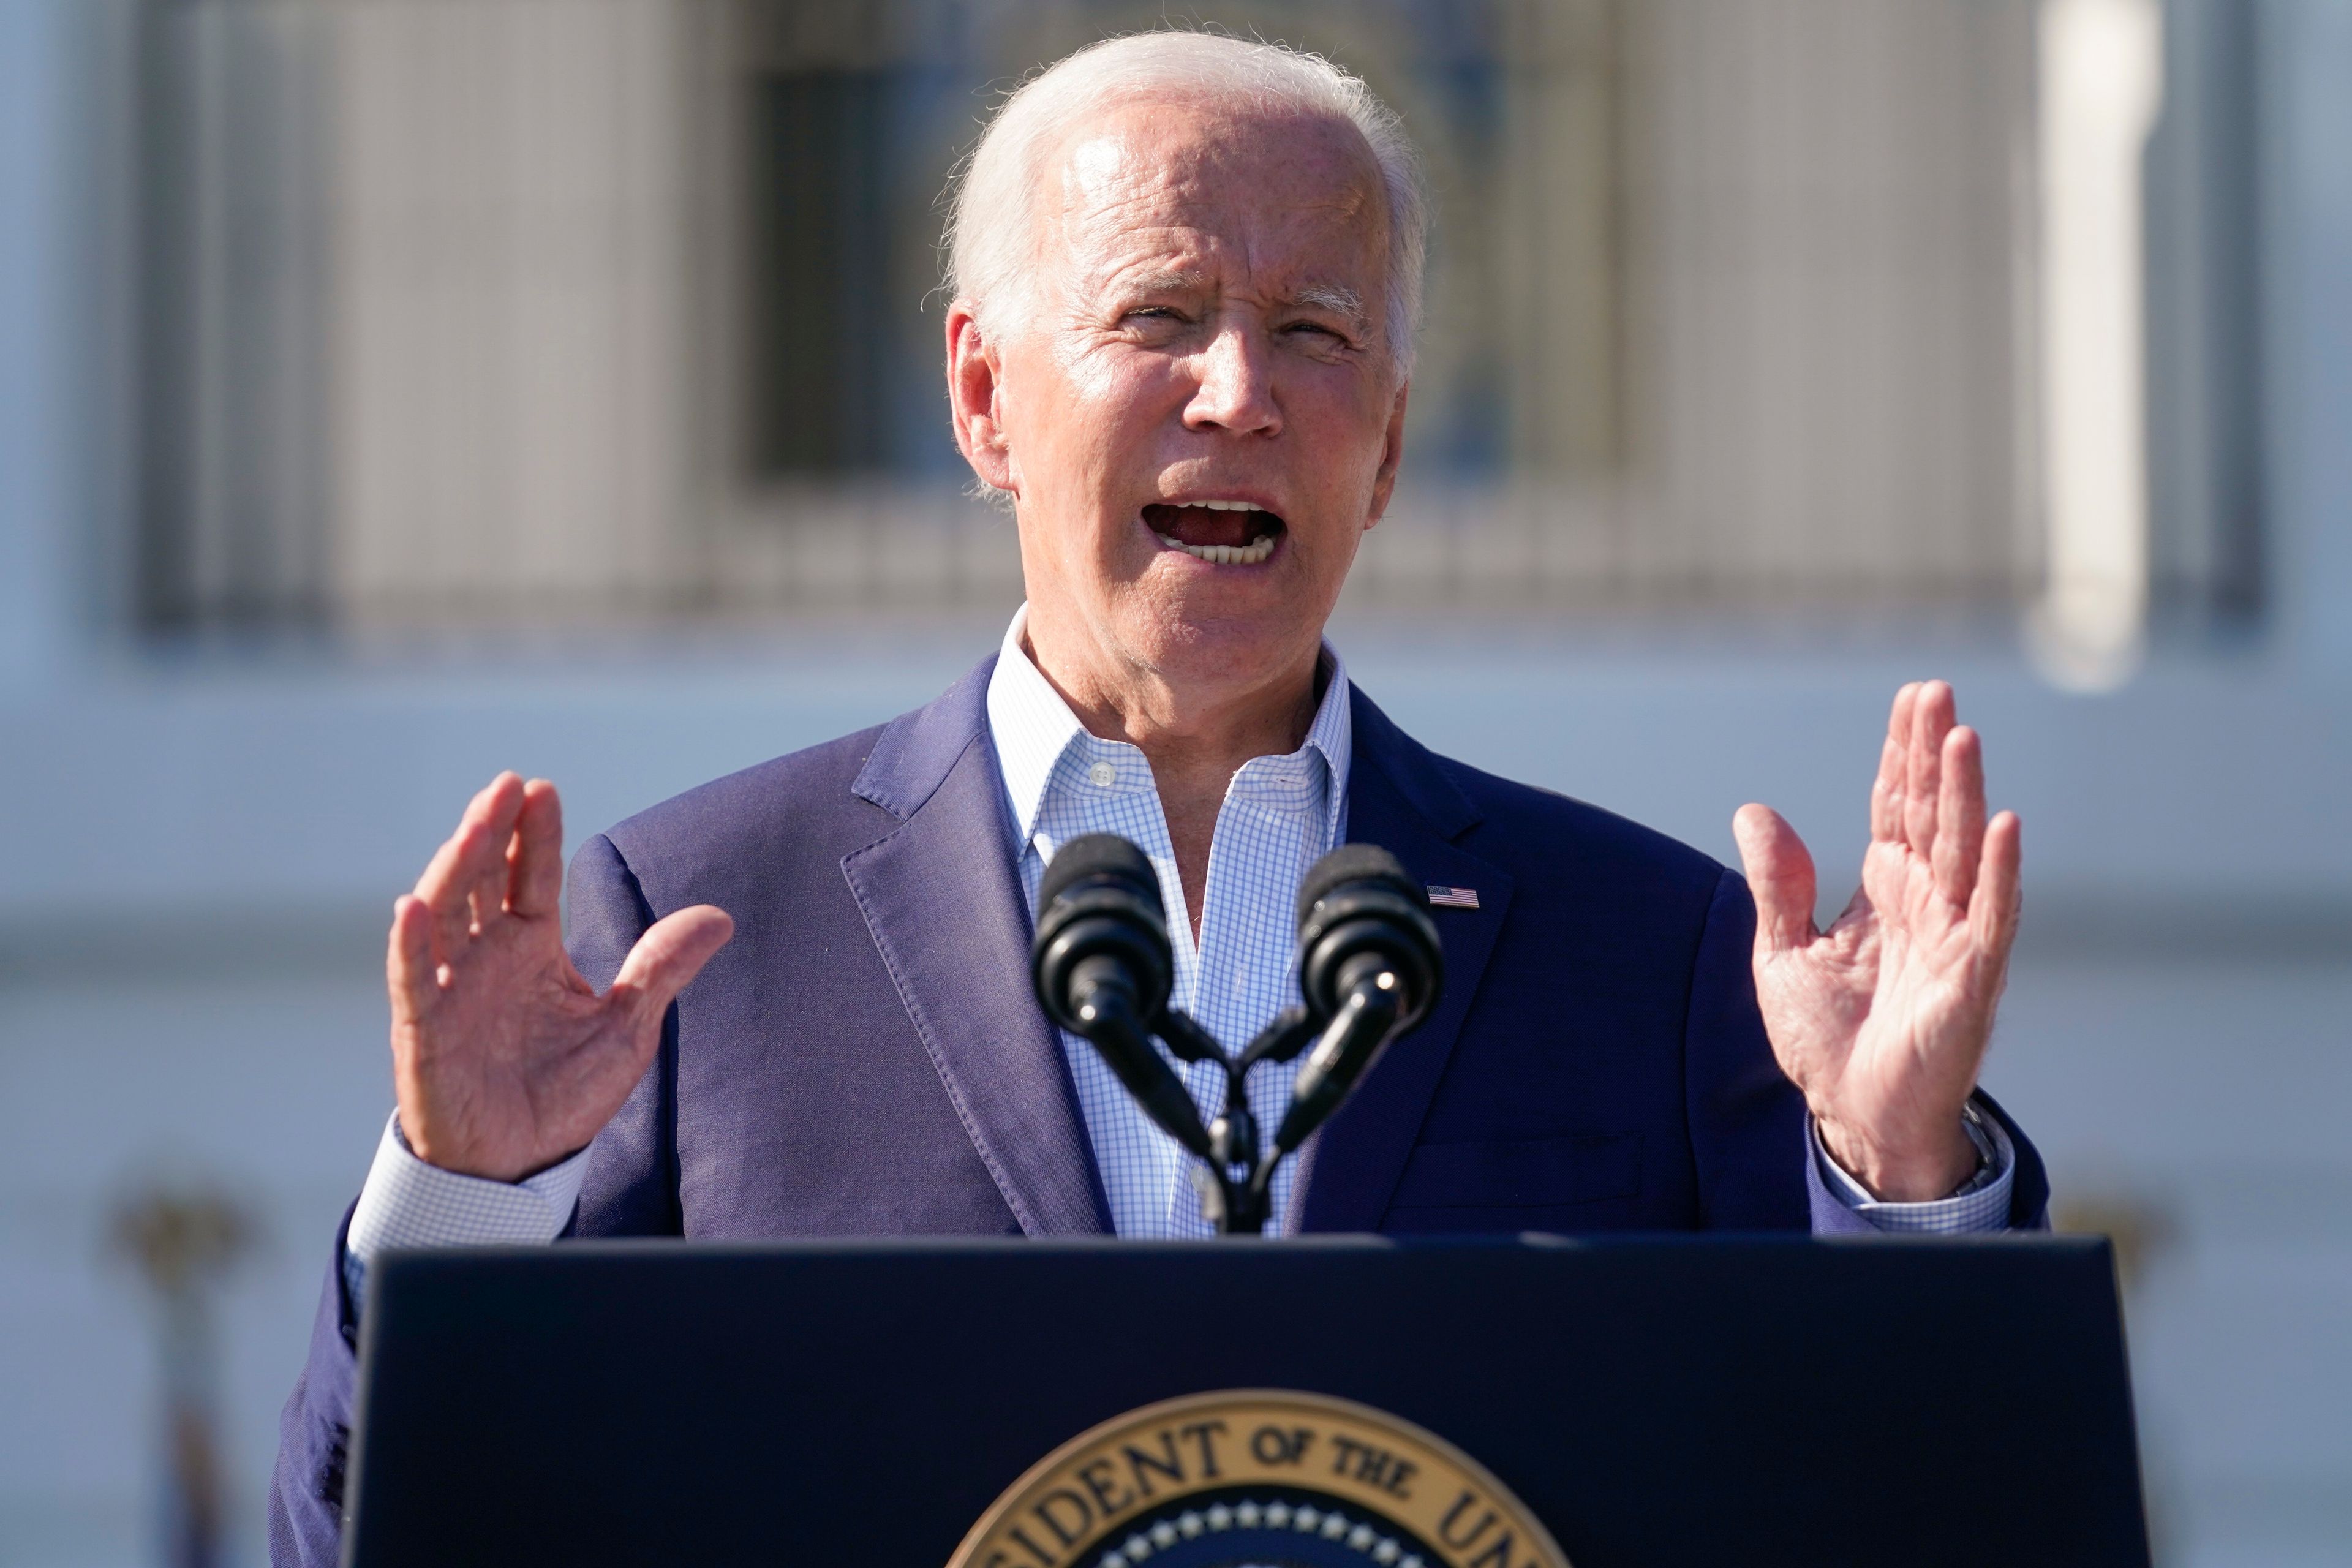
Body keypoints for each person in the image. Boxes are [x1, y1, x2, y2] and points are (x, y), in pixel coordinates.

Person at [270, 31, 2041, 1565]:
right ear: (984, 399)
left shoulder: (1654, 956)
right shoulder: (691, 934)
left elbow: (1911, 1513)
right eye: (1161, 317)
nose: (1241, 390)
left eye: (1315, 330)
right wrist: (460, 1211)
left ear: (1395, 447)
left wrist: (1894, 1178)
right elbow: (390, 1541)